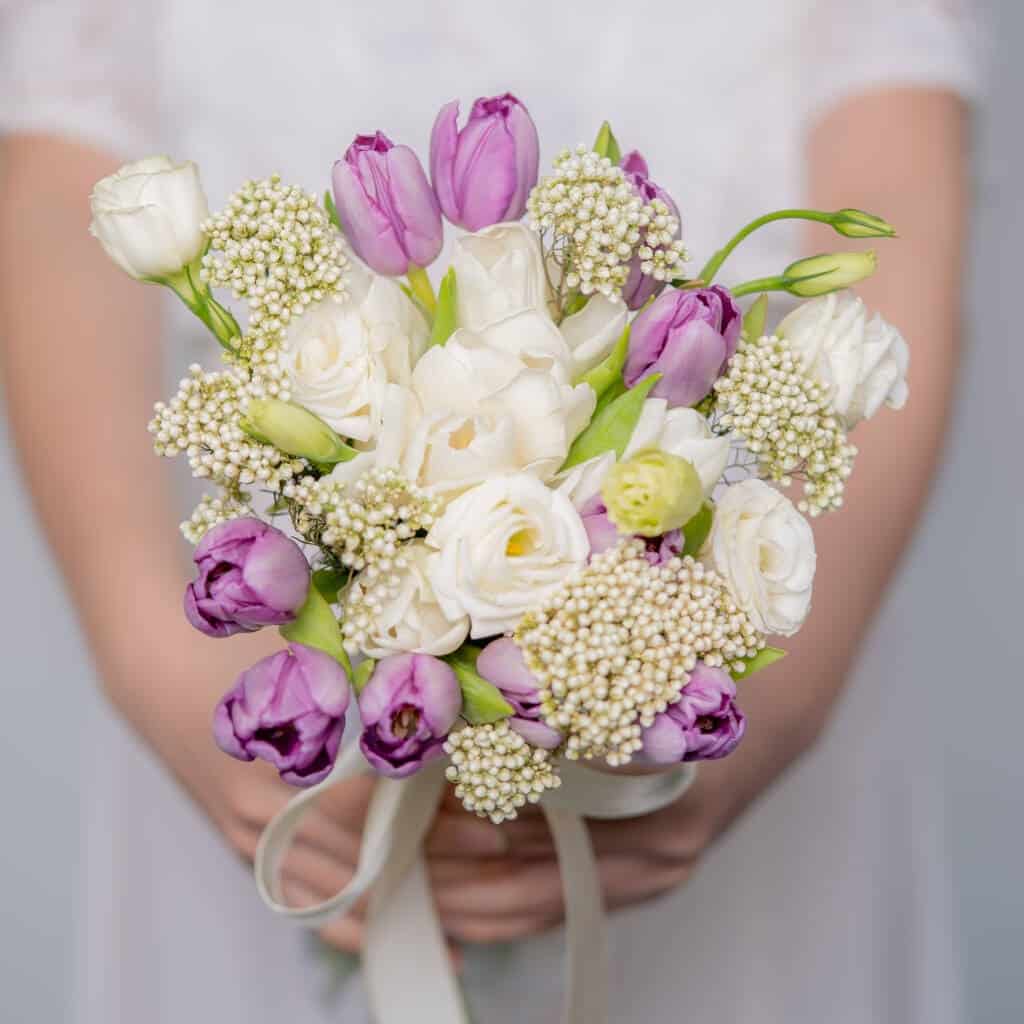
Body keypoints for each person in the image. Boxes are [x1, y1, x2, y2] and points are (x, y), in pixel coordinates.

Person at [0, 2, 983, 1021]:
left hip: (727, 618)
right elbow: (62, 192)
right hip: (249, 665)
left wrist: (761, 716)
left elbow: (896, 185)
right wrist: (151, 661)